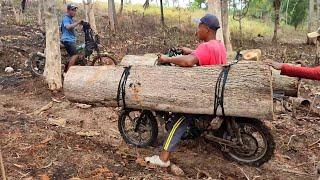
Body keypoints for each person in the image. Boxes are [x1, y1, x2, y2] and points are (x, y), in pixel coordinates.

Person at [145, 14, 227, 167]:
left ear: (206, 29)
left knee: (179, 119)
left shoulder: (206, 47)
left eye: (199, 27)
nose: (197, 30)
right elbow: (202, 56)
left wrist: (167, 59)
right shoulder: (219, 45)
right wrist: (189, 50)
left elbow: (189, 62)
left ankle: (163, 158)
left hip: (202, 98)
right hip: (214, 93)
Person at [60, 4, 83, 72]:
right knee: (75, 55)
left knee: (80, 51)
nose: (74, 12)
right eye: (72, 10)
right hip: (67, 40)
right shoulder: (66, 18)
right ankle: (68, 73)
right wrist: (78, 22)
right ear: (68, 10)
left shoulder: (70, 19)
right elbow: (68, 27)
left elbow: (72, 28)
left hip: (71, 39)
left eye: (75, 10)